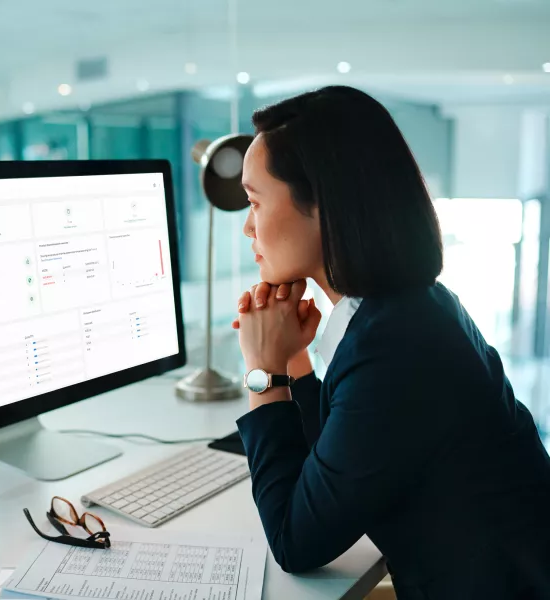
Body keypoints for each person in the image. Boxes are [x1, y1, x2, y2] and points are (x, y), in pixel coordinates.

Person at [231, 85, 550, 599]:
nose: (247, 227)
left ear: (324, 206)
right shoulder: (412, 309)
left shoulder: (393, 350)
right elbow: (332, 465)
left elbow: (295, 541)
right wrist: (291, 355)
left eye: (254, 201)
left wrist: (262, 372)